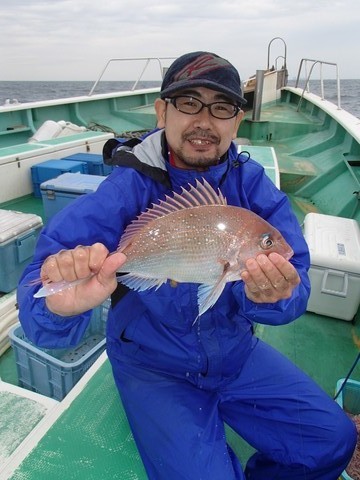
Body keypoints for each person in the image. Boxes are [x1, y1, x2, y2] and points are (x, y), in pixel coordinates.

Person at [17, 51, 356, 479]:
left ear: (237, 122)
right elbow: (41, 278)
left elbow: (297, 280)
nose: (204, 120)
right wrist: (58, 306)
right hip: (153, 366)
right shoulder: (124, 190)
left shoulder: (254, 190)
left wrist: (275, 296)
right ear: (162, 111)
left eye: (221, 108)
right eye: (188, 102)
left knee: (333, 440)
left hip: (236, 353)